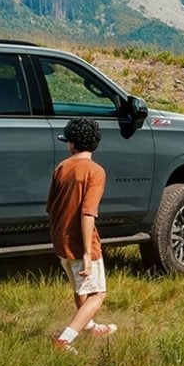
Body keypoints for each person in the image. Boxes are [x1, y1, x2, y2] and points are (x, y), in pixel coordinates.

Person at [46, 117, 117, 353]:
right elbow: (88, 213)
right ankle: (65, 339)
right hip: (81, 242)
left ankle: (90, 328)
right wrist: (88, 252)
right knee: (98, 294)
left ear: (72, 144)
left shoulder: (62, 167)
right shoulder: (96, 172)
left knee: (82, 289)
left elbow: (51, 207)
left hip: (60, 239)